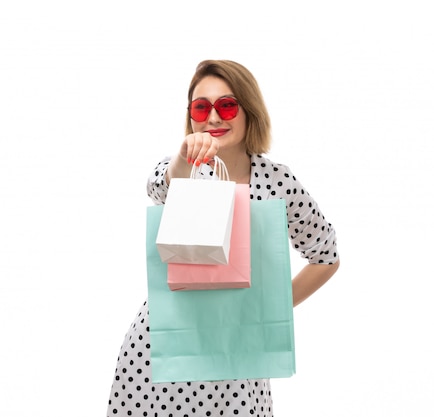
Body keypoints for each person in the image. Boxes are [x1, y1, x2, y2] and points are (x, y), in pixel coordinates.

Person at [106, 59, 340, 417]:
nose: (213, 118)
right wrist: (184, 159)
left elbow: (326, 255)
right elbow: (158, 188)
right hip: (159, 356)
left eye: (227, 105)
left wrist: (269, 308)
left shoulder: (277, 181)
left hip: (237, 362)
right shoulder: (183, 170)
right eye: (201, 108)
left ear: (249, 111)